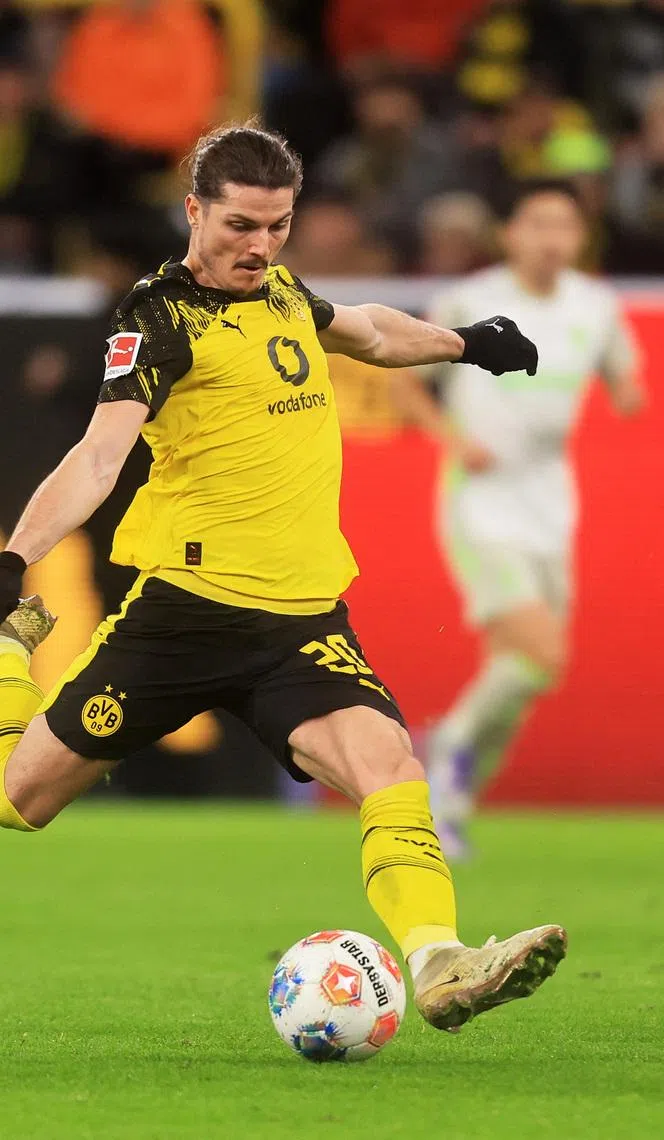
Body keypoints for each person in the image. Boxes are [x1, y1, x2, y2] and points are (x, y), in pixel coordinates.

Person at [0, 123, 567, 1038]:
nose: (259, 247)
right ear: (194, 211)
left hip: (300, 623)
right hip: (181, 619)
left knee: (389, 768)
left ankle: (440, 963)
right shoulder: (157, 319)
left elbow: (371, 332)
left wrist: (464, 342)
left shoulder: (282, 293)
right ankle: (4, 657)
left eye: (277, 226)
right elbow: (100, 455)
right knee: (17, 803)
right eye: (239, 226)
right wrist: (14, 559)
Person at [392, 180, 645, 857]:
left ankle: (454, 796)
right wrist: (451, 438)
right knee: (541, 651)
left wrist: (628, 390)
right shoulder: (473, 301)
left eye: (564, 225)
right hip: (481, 500)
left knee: (532, 668)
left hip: (550, 503)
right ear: (511, 234)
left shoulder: (595, 307)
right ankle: (445, 753)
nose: (551, 237)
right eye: (537, 223)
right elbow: (402, 376)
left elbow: (627, 378)